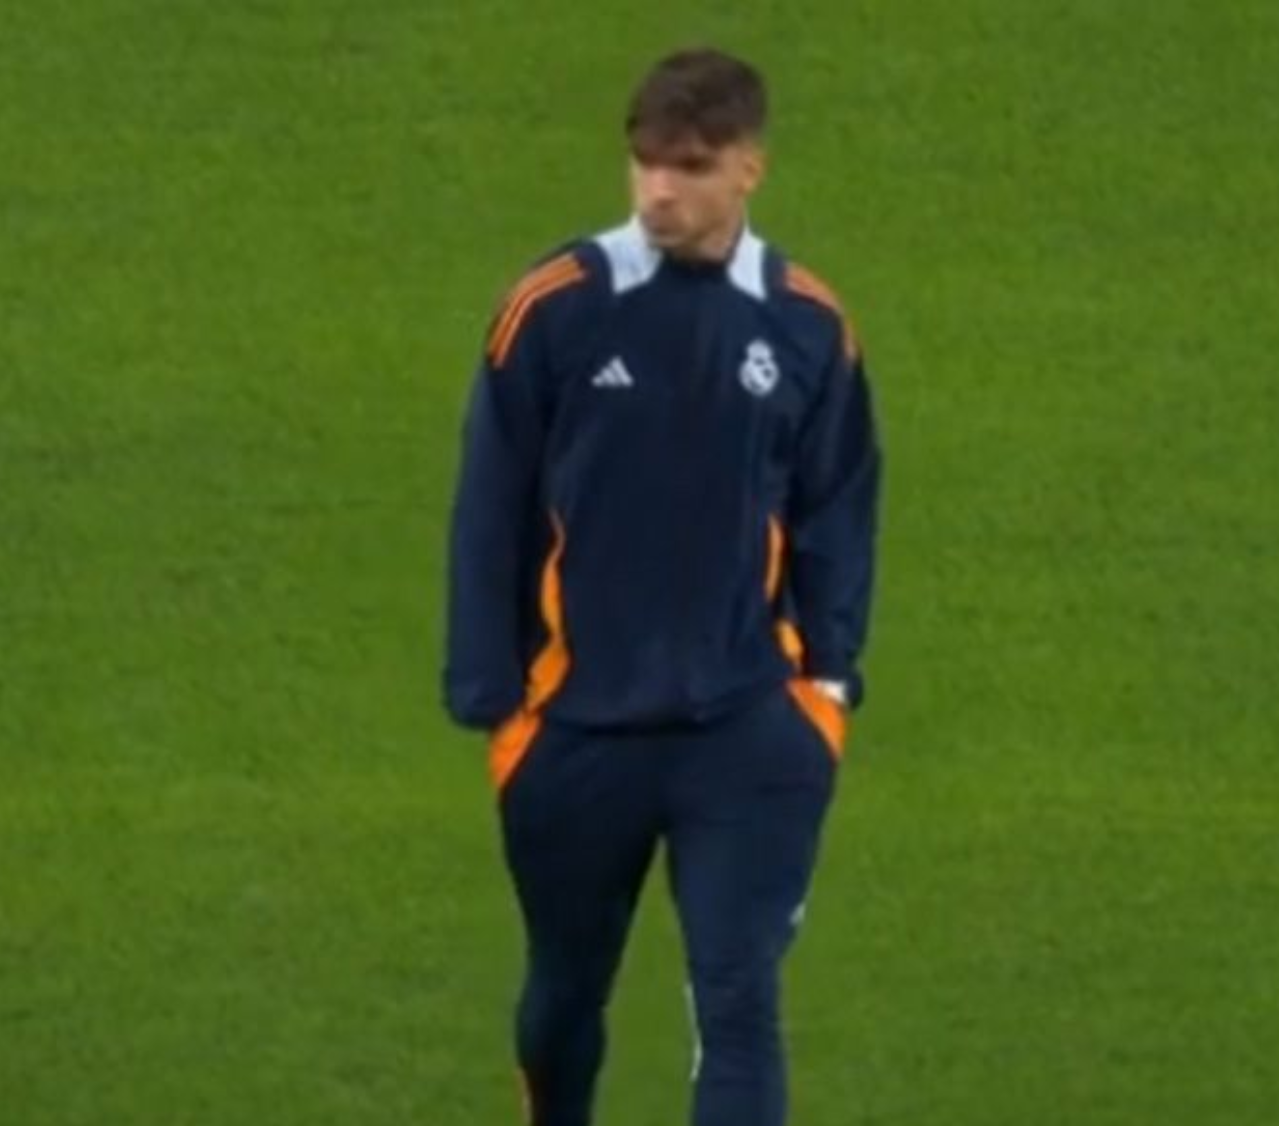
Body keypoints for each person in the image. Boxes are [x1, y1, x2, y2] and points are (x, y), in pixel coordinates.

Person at [442, 47, 882, 1126]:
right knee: (562, 995)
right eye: (643, 163)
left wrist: (825, 681)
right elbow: (488, 505)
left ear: (747, 170)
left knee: (738, 1004)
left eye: (687, 166)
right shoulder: (551, 310)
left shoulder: (808, 326)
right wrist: (491, 698)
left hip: (744, 727)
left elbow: (836, 504)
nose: (656, 191)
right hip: (578, 727)